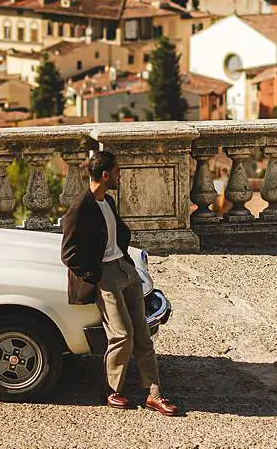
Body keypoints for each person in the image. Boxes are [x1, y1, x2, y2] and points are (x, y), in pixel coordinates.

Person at [61, 149, 183, 416]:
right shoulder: (80, 208)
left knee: (143, 335)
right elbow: (68, 254)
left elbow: (116, 237)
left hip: (125, 270)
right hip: (105, 275)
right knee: (121, 334)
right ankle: (112, 390)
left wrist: (126, 264)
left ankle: (154, 394)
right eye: (117, 172)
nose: (120, 176)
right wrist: (95, 276)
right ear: (105, 175)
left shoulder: (109, 202)